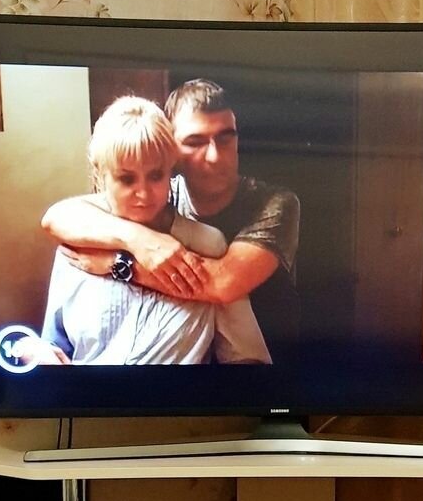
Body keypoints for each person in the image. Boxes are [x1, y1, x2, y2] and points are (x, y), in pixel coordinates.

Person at [41, 80, 301, 362]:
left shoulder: (247, 219)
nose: (214, 156)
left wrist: (117, 265)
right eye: (195, 142)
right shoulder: (85, 235)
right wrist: (139, 240)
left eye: (225, 138)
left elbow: (224, 284)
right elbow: (55, 218)